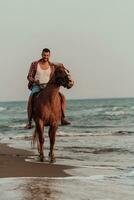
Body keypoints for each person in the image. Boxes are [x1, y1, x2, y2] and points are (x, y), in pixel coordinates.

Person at [25, 48, 71, 129]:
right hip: (37, 85)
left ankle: (63, 118)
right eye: (44, 55)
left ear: (49, 56)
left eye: (47, 55)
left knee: (62, 96)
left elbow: (61, 67)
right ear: (41, 55)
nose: (45, 57)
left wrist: (63, 67)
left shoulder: (52, 65)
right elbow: (29, 76)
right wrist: (35, 81)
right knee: (31, 97)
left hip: (48, 86)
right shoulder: (35, 64)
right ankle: (29, 121)